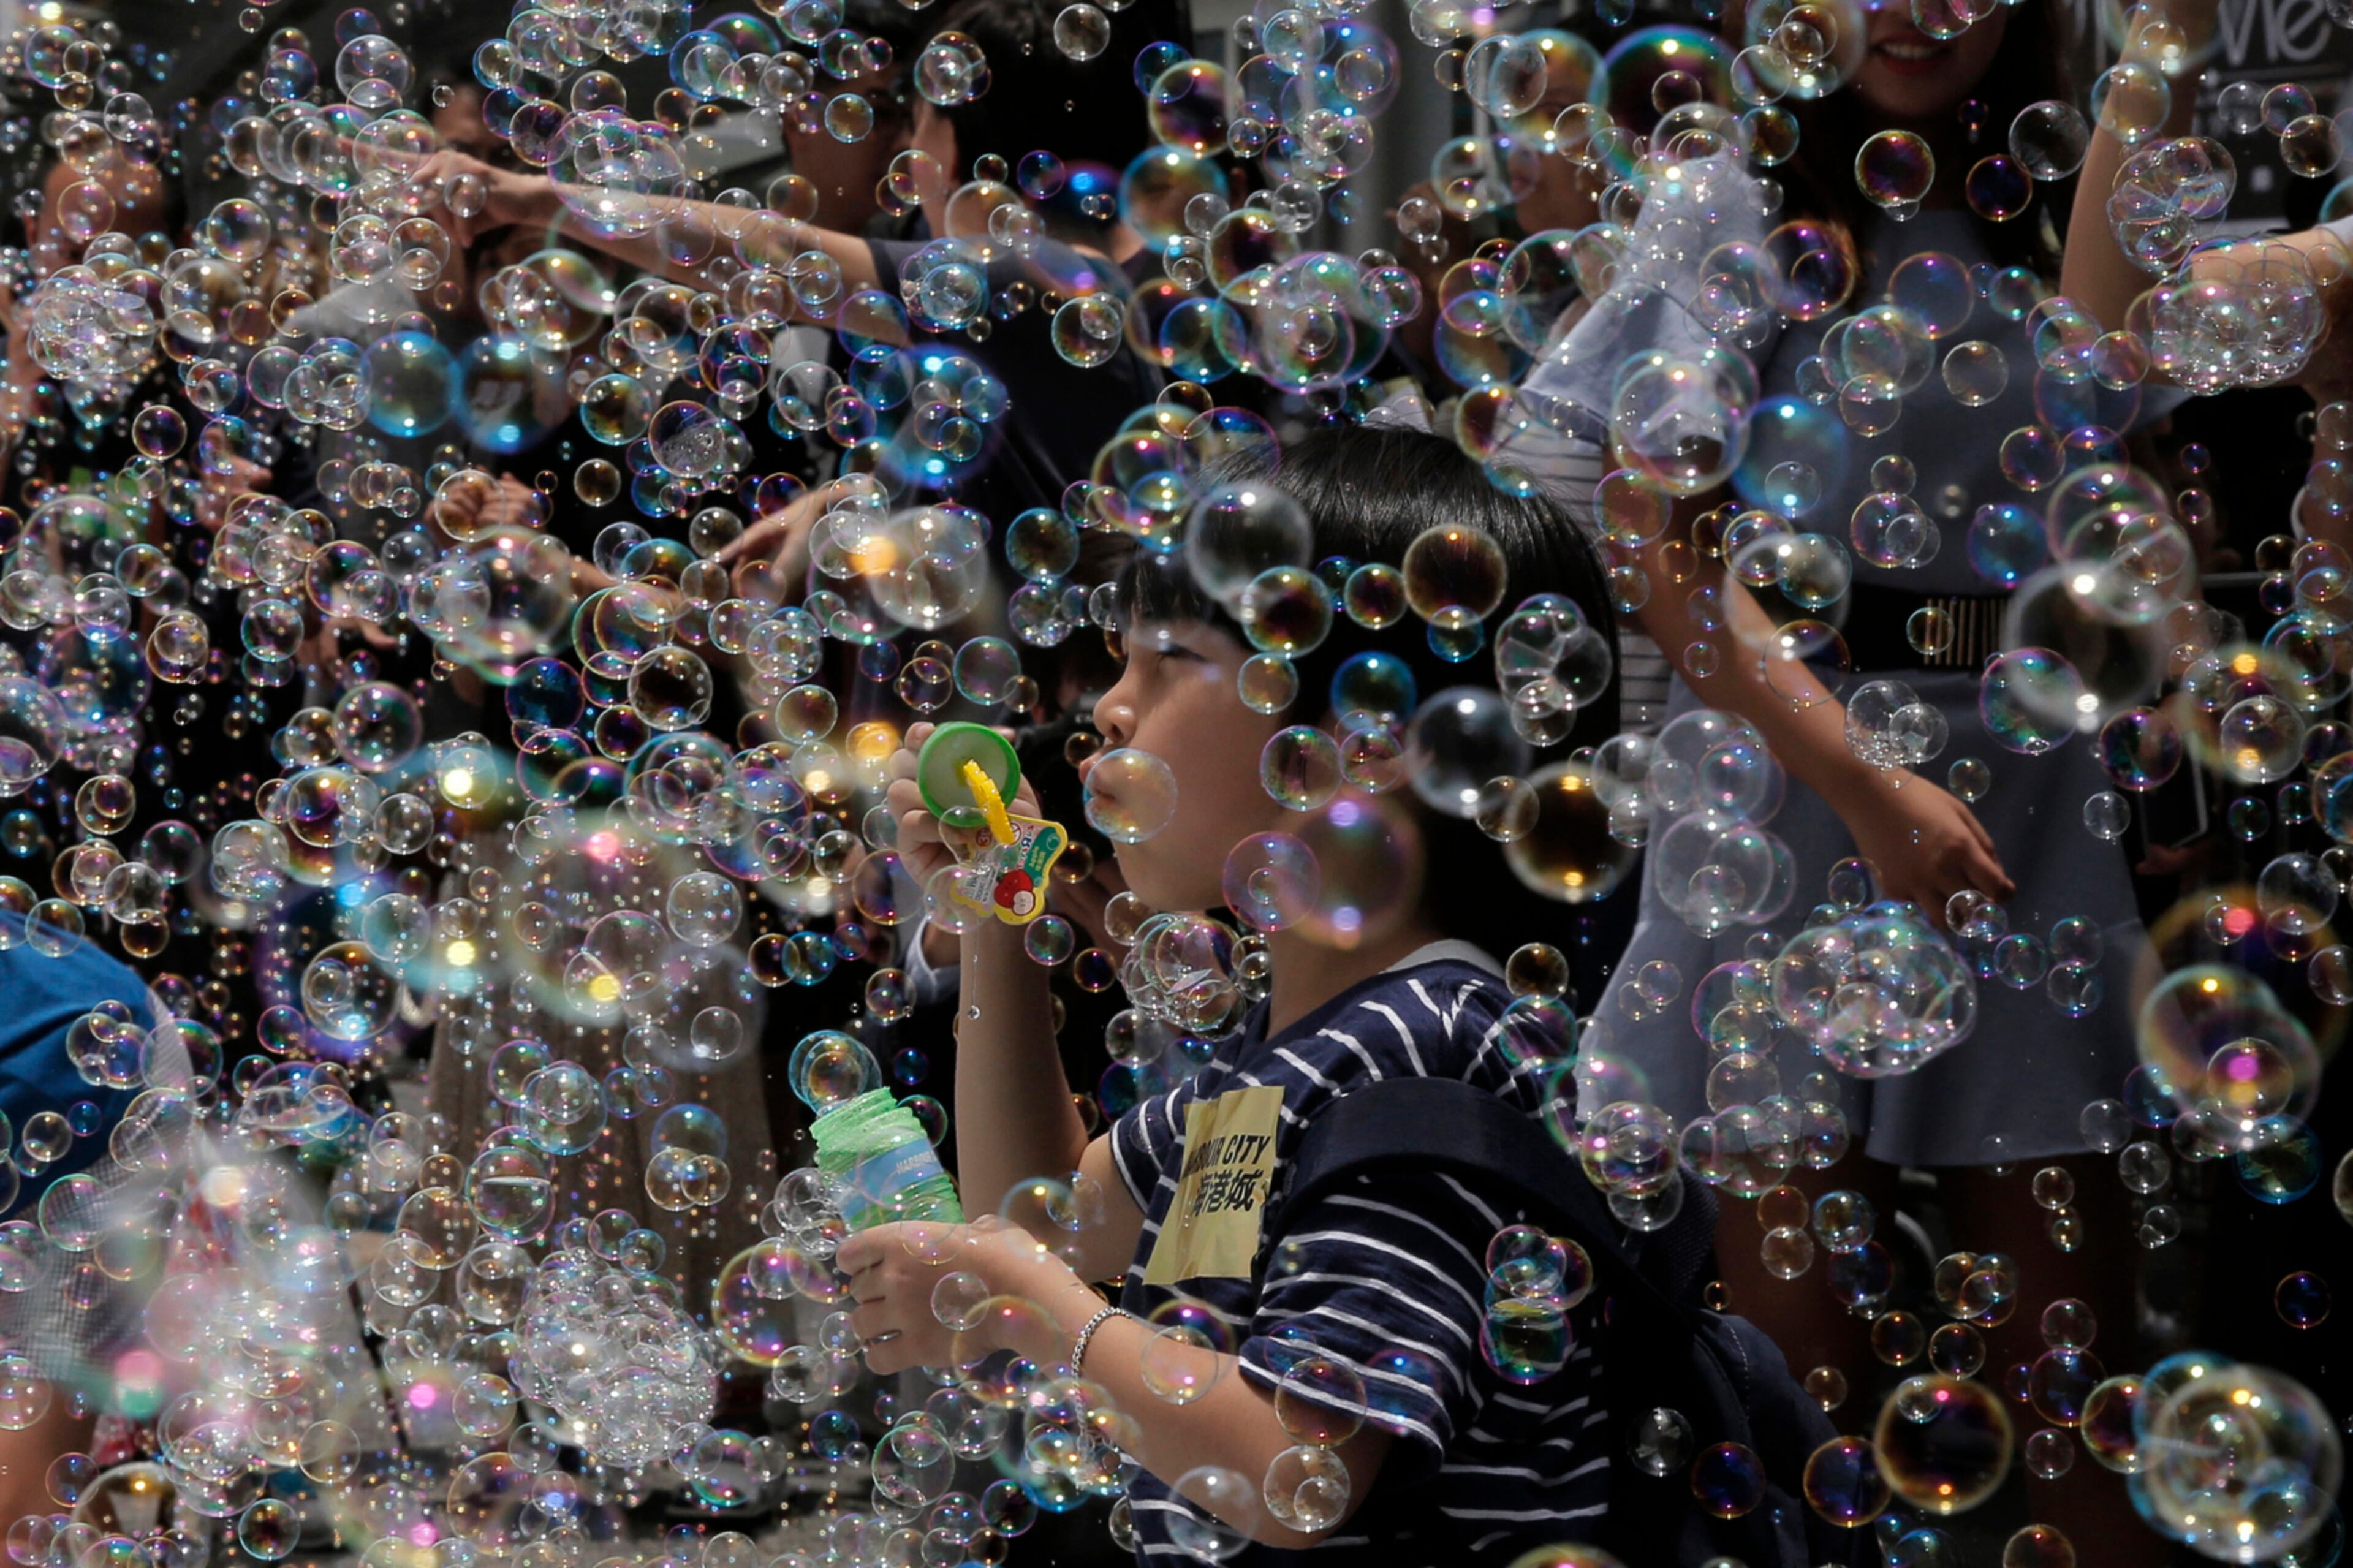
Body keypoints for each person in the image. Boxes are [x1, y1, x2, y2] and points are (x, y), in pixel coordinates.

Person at [1507, 0, 2171, 1553]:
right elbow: (1660, 538)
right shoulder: (1732, 200)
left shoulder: (2069, 183)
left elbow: (2122, 387)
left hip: (2024, 757)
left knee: (2056, 1335)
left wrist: (2171, 53)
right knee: (1795, 1346)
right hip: (1789, 775)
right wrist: (1863, 781)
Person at [837, 421, 1630, 1563]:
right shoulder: (1290, 1046)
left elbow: (1297, 1474)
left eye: (1172, 663)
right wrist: (998, 914)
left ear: (1367, 743)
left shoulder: (1423, 1061)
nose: (1110, 709)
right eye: (1123, 664)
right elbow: (1041, 1210)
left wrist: (1045, 1314)